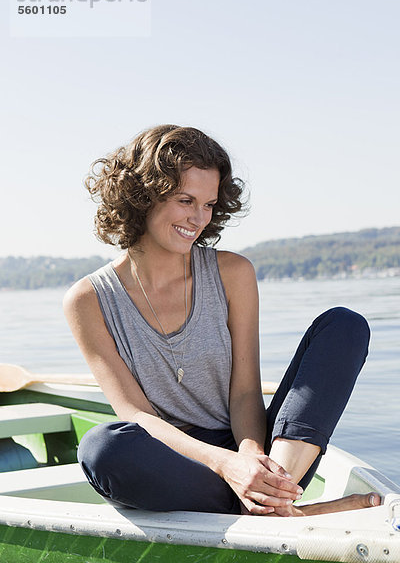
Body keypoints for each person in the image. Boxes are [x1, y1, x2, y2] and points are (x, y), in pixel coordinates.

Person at [64, 124, 379, 516]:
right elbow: (136, 415)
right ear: (143, 196)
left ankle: (266, 500)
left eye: (209, 204)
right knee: (102, 448)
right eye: (185, 200)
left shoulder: (232, 273)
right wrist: (225, 465)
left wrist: (248, 457)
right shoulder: (88, 300)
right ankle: (276, 511)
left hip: (263, 452)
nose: (198, 218)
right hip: (179, 464)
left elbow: (245, 392)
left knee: (344, 325)